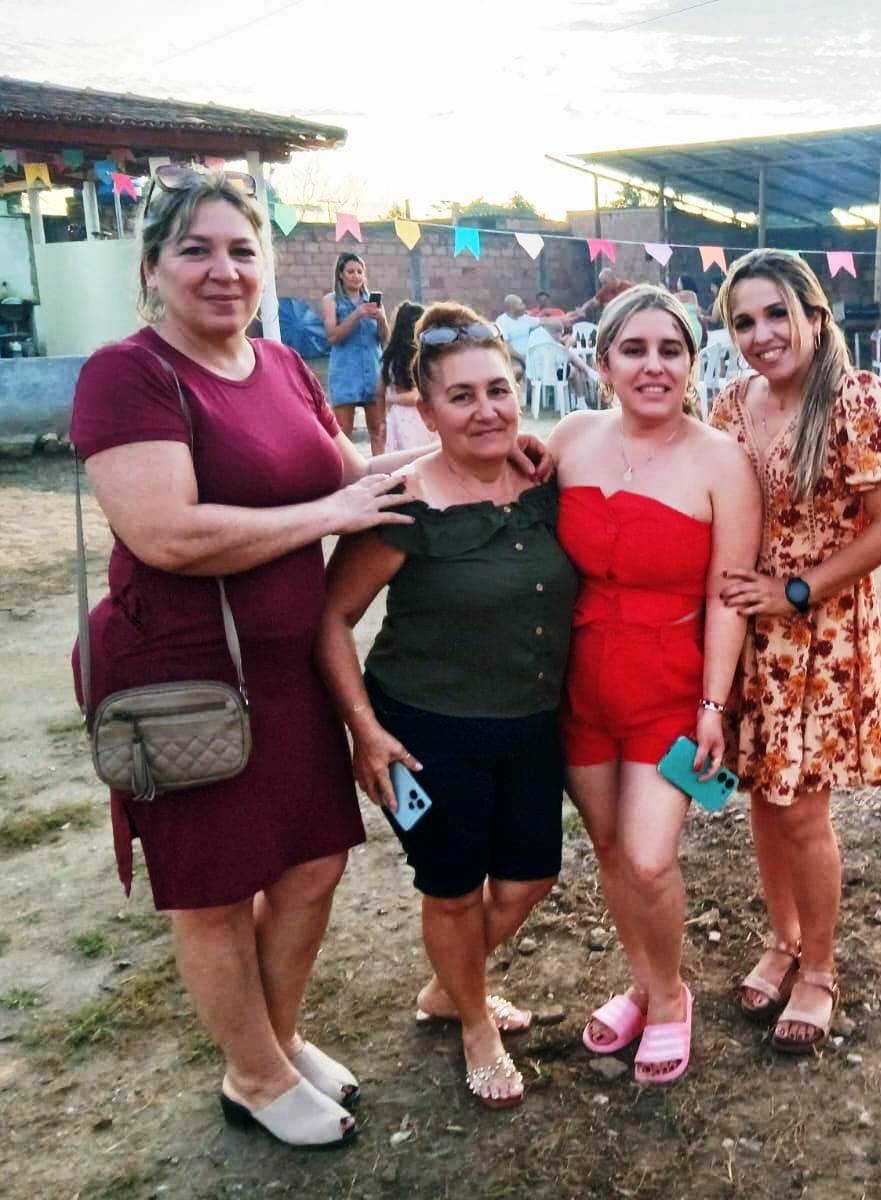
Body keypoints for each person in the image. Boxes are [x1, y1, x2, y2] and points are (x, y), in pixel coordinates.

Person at [69, 166, 429, 1150]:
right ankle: (256, 1074)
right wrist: (328, 515)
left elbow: (352, 477)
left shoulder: (279, 366)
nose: (223, 271)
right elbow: (166, 533)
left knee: (313, 862)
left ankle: (274, 1039)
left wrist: (479, 449)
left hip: (286, 666)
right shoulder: (129, 374)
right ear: (152, 269)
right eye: (196, 250)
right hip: (183, 673)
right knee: (217, 887)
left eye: (241, 250)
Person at [315, 303, 575, 1112]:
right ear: (426, 413)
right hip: (426, 730)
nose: (485, 410)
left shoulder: (543, 483)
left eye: (498, 390)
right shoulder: (404, 505)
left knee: (530, 877)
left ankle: (447, 984)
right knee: (454, 888)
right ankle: (472, 1021)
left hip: (531, 721)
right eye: (460, 397)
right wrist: (364, 730)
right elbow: (331, 620)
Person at [548, 284, 760, 1084]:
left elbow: (727, 595)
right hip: (577, 684)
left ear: (692, 362)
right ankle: (639, 982)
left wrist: (714, 706)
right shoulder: (570, 438)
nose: (653, 366)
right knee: (606, 847)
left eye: (671, 350)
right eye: (634, 350)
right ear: (603, 362)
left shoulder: (721, 460)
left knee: (646, 857)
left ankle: (671, 997)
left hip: (669, 685)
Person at [709, 249, 881, 1054]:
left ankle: (821, 968)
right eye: (744, 321)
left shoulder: (855, 398)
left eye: (776, 314)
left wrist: (796, 589)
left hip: (820, 633)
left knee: (802, 809)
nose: (761, 334)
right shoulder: (732, 403)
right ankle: (782, 938)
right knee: (763, 799)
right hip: (749, 633)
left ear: (813, 313)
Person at [322, 251, 388, 455]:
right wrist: (356, 314)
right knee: (343, 432)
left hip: (373, 370)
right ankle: (348, 472)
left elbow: (384, 338)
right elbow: (333, 336)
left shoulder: (373, 301)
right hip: (345, 373)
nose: (356, 276)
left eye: (360, 271)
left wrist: (381, 319)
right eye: (350, 271)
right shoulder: (331, 300)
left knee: (378, 430)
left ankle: (381, 471)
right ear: (340, 274)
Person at [380, 301, 432, 452]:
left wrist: (385, 413)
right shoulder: (422, 358)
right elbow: (418, 395)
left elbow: (379, 391)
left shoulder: (389, 359)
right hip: (420, 419)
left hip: (397, 418)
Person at [565, 267, 633, 325]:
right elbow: (593, 302)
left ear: (613, 278)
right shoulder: (604, 290)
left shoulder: (629, 287)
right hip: (611, 322)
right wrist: (583, 309)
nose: (603, 286)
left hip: (627, 320)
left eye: (605, 282)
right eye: (602, 283)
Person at [494, 293, 540, 379]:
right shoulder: (502, 321)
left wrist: (563, 319)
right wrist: (522, 357)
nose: (524, 306)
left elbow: (543, 321)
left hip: (531, 356)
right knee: (517, 370)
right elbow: (506, 346)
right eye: (521, 304)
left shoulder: (524, 318)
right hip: (514, 357)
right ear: (512, 308)